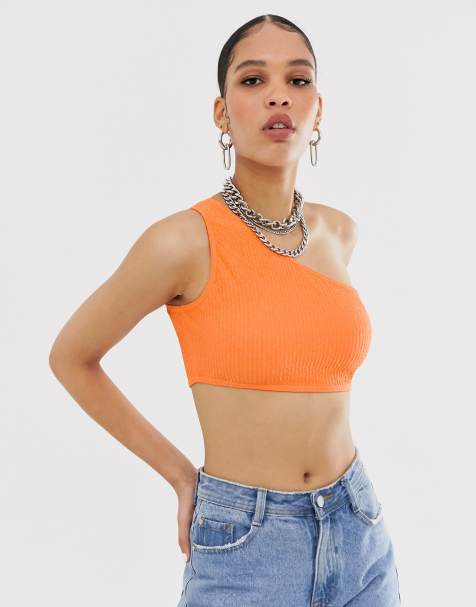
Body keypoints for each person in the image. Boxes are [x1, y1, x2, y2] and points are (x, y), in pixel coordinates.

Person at [49, 13, 401, 607]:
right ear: (222, 114)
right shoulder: (183, 242)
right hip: (246, 545)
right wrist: (180, 475)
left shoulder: (339, 233)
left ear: (318, 110)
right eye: (252, 80)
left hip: (357, 526)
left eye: (298, 80)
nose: (278, 97)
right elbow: (72, 357)